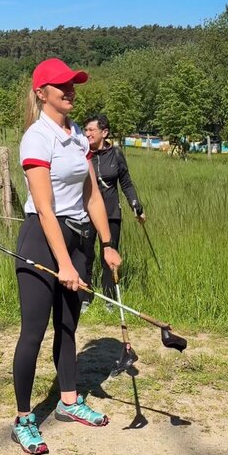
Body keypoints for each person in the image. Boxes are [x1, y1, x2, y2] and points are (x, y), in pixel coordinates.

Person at [12, 59, 122, 455]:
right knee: (33, 332)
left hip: (76, 240)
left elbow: (92, 196)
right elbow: (44, 209)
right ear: (42, 93)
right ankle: (23, 420)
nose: (71, 90)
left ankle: (69, 402)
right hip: (41, 240)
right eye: (63, 85)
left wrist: (107, 243)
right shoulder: (36, 138)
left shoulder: (77, 135)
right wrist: (63, 264)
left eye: (73, 84)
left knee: (68, 325)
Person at [81, 114, 145, 311]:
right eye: (85, 130)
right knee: (86, 255)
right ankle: (85, 296)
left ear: (104, 132)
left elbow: (126, 183)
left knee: (108, 255)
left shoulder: (115, 154)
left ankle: (109, 298)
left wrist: (135, 205)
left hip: (111, 213)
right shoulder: (82, 153)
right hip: (87, 212)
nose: (87, 134)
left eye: (92, 130)